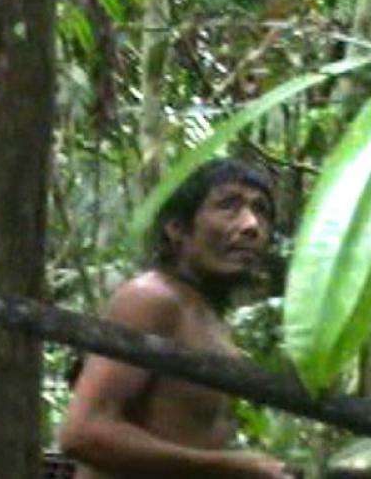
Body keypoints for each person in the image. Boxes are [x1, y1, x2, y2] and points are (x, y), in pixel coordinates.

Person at [59, 158, 292, 479]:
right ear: (178, 229)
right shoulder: (151, 298)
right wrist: (230, 467)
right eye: (229, 206)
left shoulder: (206, 315)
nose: (251, 224)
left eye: (261, 210)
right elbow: (82, 433)